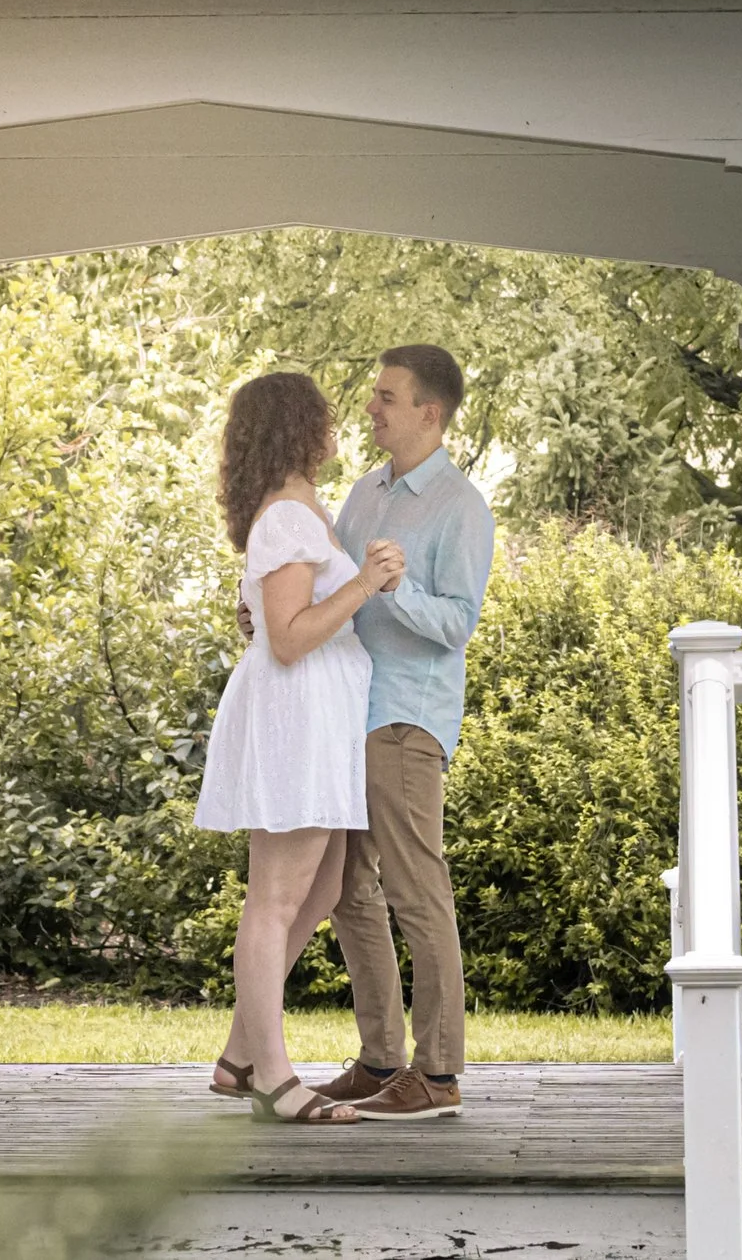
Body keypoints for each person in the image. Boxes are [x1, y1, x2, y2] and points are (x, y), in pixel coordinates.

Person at [195, 371, 404, 1125]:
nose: (337, 427)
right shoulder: (285, 516)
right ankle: (275, 1078)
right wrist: (366, 584)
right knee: (276, 898)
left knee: (316, 892)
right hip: (297, 716)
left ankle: (237, 1053)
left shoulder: (296, 507)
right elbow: (287, 640)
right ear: (298, 426)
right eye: (324, 417)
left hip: (325, 720)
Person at [317, 345, 495, 1121]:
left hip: (405, 719)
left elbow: (456, 623)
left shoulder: (461, 507)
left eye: (386, 397)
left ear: (430, 411)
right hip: (345, 713)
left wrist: (398, 586)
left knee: (417, 890)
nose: (371, 408)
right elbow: (333, 589)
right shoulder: (364, 494)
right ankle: (382, 1058)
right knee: (345, 888)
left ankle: (440, 1073)